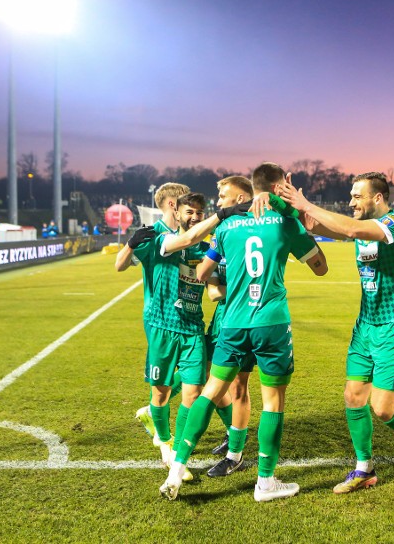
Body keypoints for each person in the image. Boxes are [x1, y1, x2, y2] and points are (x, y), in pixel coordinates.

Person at [160, 162, 328, 502]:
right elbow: (320, 267)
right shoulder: (285, 222)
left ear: (249, 189)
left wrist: (223, 277)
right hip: (271, 324)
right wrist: (298, 221)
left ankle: (176, 469)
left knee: (209, 392)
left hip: (233, 323)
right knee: (273, 402)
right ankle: (265, 482)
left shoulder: (226, 227)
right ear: (280, 187)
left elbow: (204, 270)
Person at [279, 171, 394, 495]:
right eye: (350, 196)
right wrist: (291, 208)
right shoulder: (361, 229)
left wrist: (305, 201)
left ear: (377, 198)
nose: (351, 201)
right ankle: (364, 469)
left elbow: (349, 227)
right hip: (366, 323)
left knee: (384, 408)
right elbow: (317, 226)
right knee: (353, 396)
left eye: (356, 196)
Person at [116, 183, 191, 442]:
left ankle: (152, 410)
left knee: (200, 373)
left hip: (189, 316)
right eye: (185, 200)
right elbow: (120, 265)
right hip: (160, 317)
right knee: (165, 381)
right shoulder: (152, 234)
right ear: (173, 204)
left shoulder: (190, 232)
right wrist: (130, 244)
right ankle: (165, 438)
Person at [199, 175, 256, 476]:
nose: (218, 201)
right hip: (221, 316)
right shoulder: (221, 230)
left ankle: (235, 452)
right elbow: (210, 277)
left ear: (239, 197)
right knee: (211, 377)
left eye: (223, 196)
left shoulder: (257, 229)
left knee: (237, 385)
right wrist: (213, 285)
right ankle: (232, 433)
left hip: (244, 317)